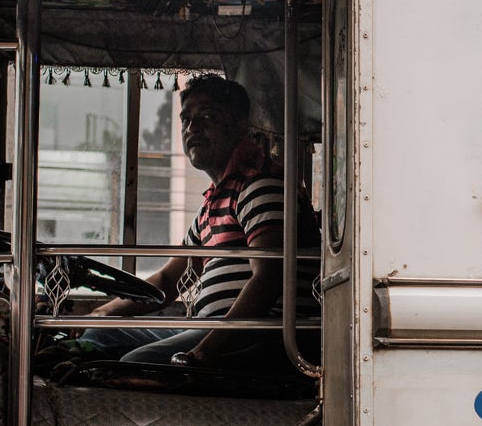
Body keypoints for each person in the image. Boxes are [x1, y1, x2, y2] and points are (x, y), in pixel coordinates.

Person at [83, 74, 316, 368]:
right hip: (212, 328)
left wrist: (205, 352)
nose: (192, 128)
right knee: (100, 336)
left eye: (207, 116)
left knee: (137, 363)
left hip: (262, 334)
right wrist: (103, 313)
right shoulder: (215, 200)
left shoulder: (261, 184)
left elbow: (269, 279)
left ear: (240, 125)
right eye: (186, 119)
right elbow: (168, 281)